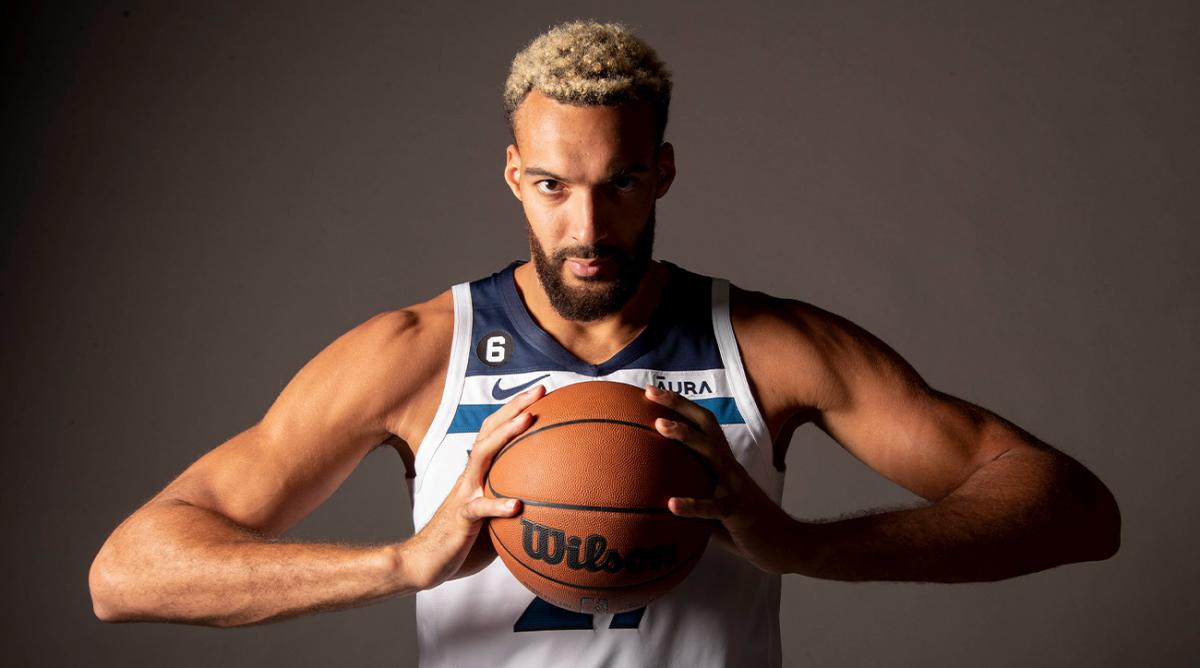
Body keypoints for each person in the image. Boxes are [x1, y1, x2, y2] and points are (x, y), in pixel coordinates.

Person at [89, 20, 1120, 667]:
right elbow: (127, 573)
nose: (586, 226)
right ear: (511, 175)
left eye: (619, 182)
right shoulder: (416, 353)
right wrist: (401, 562)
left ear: (663, 171)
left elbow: (1073, 508)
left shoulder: (769, 346)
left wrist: (802, 545)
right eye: (551, 185)